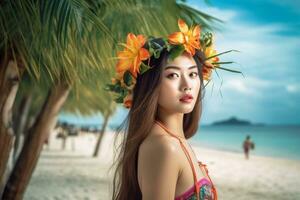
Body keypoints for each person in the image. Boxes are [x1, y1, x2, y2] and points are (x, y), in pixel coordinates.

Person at [108, 19, 239, 200]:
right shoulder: (164, 146)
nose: (187, 85)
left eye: (193, 74)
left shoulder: (174, 140)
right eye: (173, 75)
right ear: (150, 84)